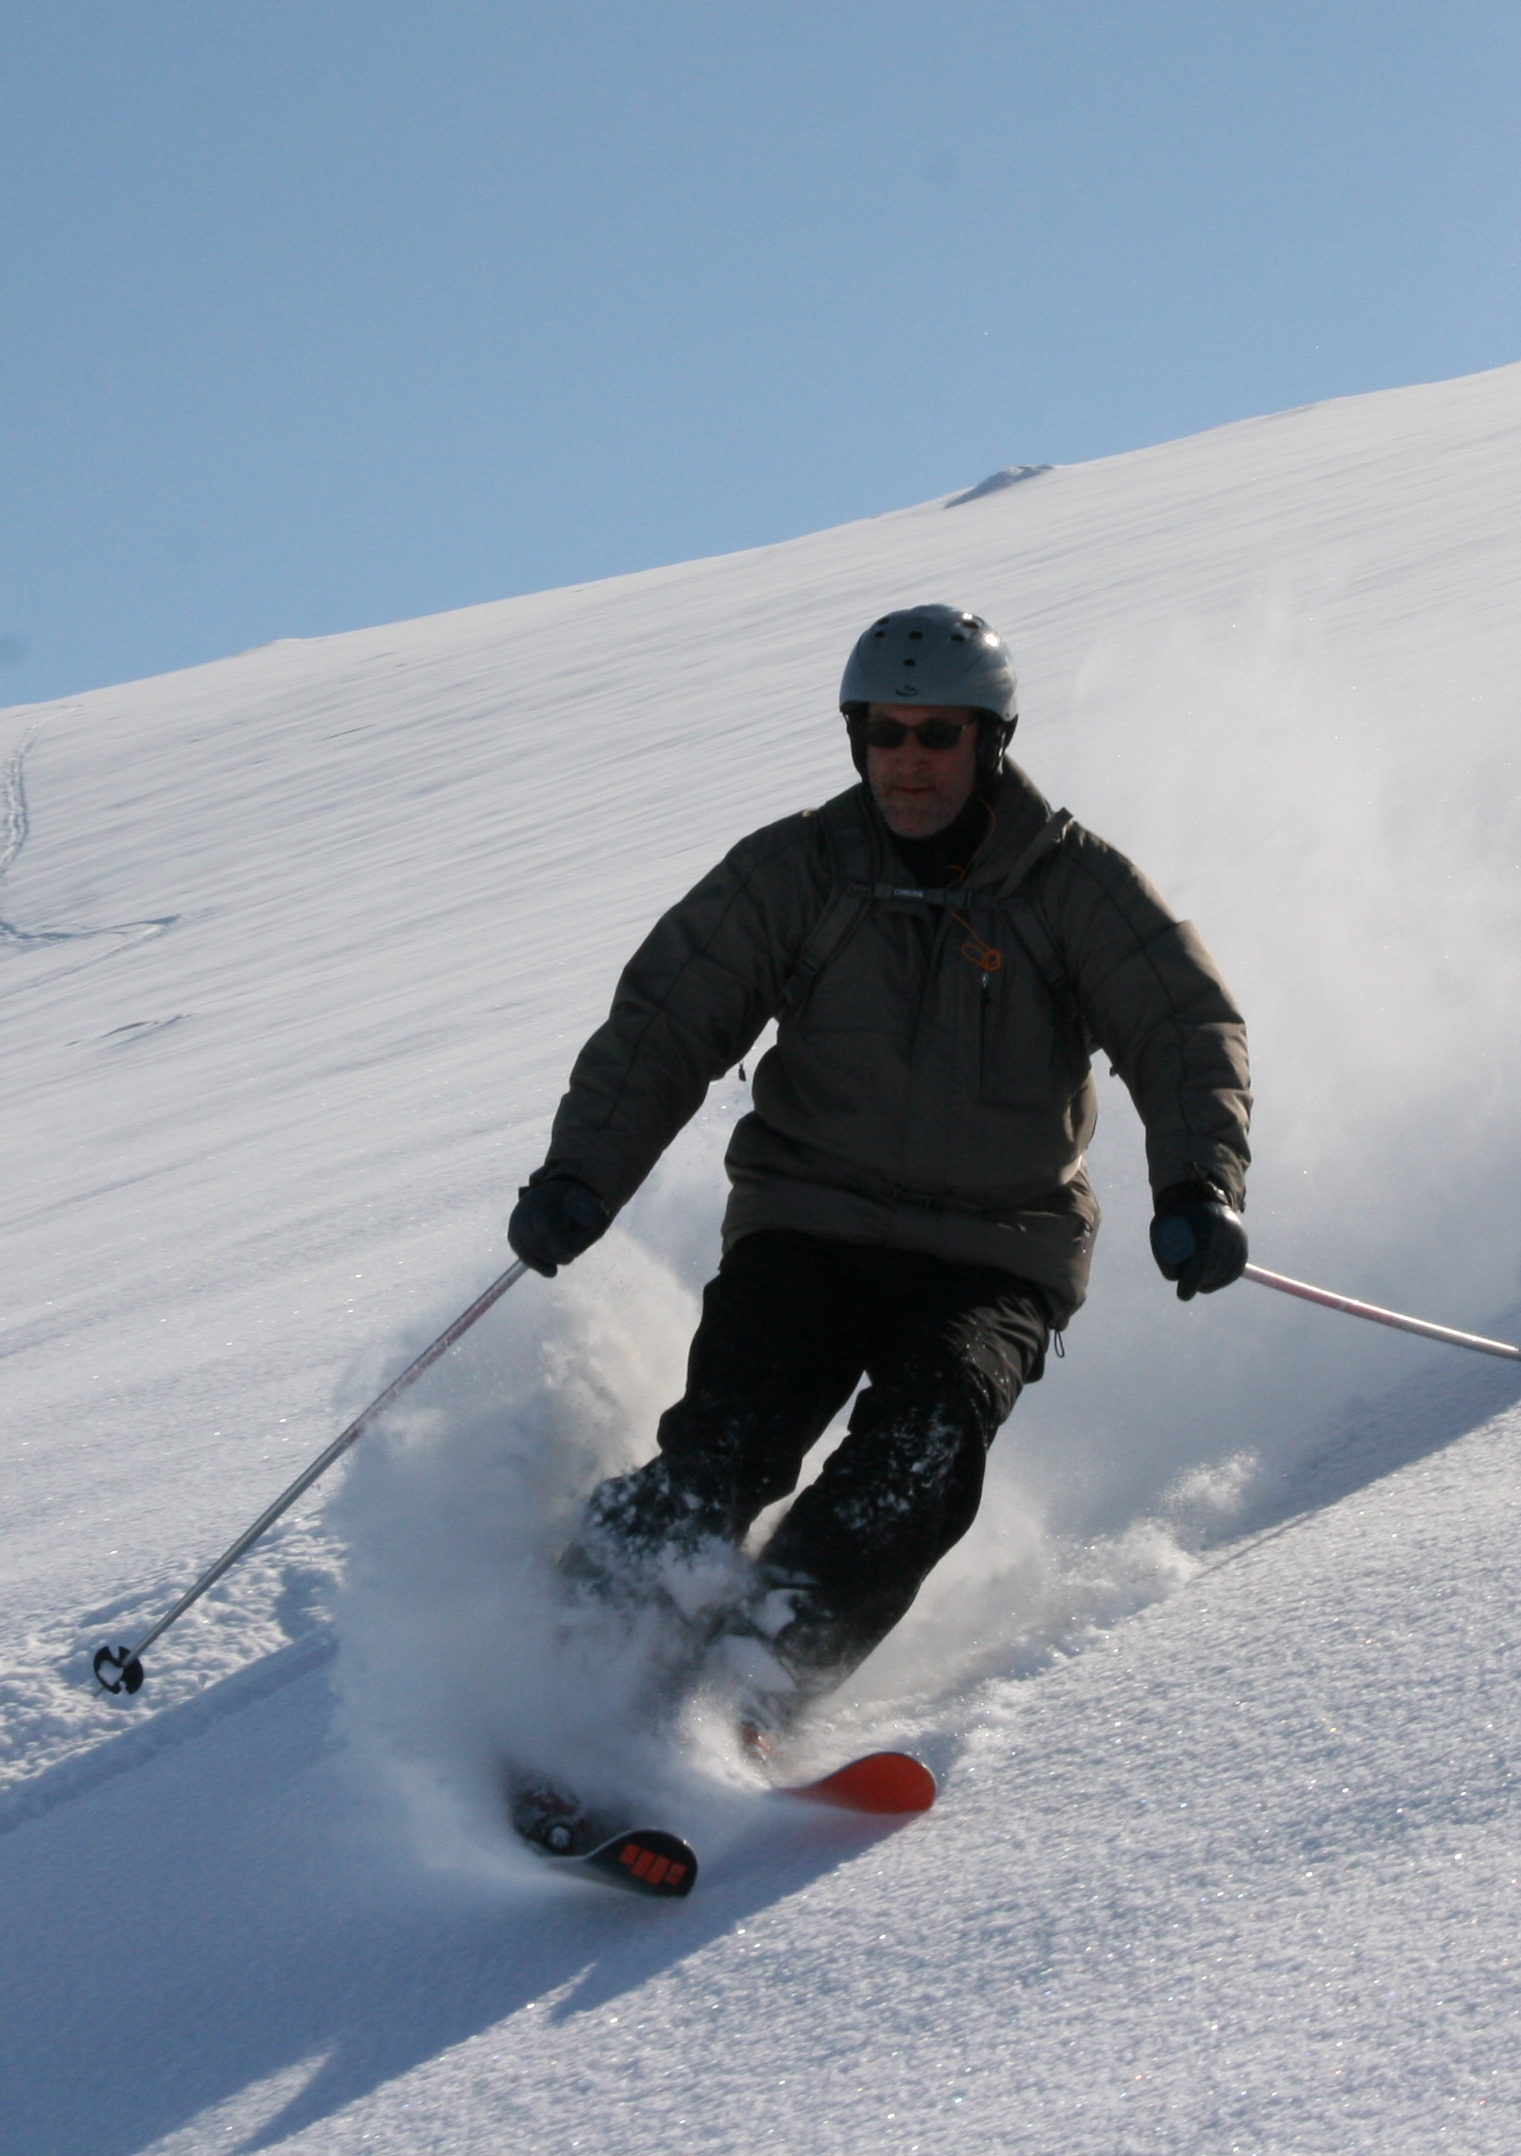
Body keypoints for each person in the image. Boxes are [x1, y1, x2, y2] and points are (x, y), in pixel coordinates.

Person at [505, 604, 1252, 1735]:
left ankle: (747, 1695)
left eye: (937, 735)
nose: (908, 762)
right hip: (811, 1222)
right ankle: (573, 1663)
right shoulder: (800, 871)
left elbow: (1184, 1026)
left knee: (921, 1447)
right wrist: (581, 1177)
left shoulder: (1070, 886)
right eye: (884, 734)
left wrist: (1200, 1188)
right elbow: (668, 1019)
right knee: (731, 1437)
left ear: (990, 742)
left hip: (995, 1250)